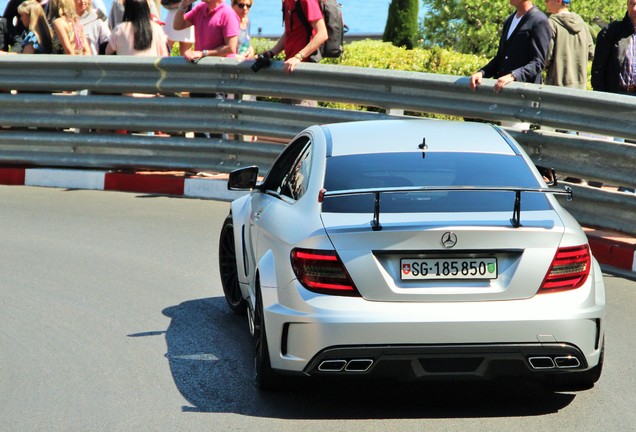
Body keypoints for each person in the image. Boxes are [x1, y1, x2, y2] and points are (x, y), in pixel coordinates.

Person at [469, 0, 551, 92]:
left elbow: (538, 63)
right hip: (503, 92)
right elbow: (501, 57)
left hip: (524, 94)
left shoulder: (539, 21)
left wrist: (514, 76)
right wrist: (482, 73)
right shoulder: (509, 20)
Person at [260, 0, 327, 74]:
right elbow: (288, 34)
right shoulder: (287, 2)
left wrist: (298, 57)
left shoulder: (308, 1)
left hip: (304, 66)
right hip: (290, 65)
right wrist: (271, 53)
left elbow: (322, 34)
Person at [544, 0, 594, 89]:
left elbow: (546, 58)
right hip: (580, 87)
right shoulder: (582, 24)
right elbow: (591, 53)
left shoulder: (551, 24)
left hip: (556, 87)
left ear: (558, 1)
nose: (545, 2)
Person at [591, 0, 636, 95]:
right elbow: (598, 69)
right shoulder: (611, 32)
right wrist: (601, 97)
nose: (634, 9)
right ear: (627, 4)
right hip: (616, 94)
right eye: (632, 4)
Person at [172, 0, 239, 63]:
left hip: (222, 69)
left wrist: (204, 53)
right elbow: (177, 26)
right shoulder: (200, 8)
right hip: (205, 69)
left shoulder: (228, 14)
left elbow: (230, 48)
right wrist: (183, 6)